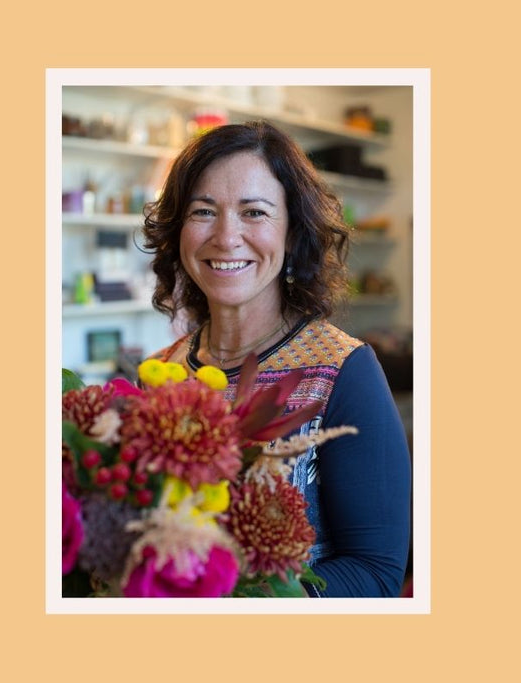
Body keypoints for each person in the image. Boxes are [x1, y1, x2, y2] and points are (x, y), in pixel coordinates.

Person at [142, 121, 411, 597]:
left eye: (254, 212)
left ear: (292, 233)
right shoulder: (157, 374)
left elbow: (376, 572)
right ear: (178, 231)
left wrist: (236, 604)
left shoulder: (344, 371)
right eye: (204, 211)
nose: (226, 237)